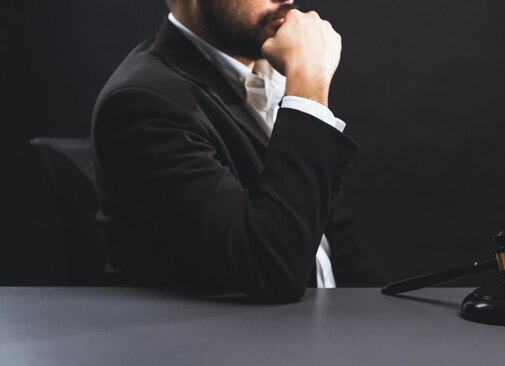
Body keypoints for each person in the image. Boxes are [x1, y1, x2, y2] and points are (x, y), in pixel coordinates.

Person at [91, 0, 382, 302]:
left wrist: (380, 324)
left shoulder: (277, 72)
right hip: (230, 342)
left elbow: (337, 243)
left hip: (329, 331)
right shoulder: (142, 104)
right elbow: (271, 269)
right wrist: (309, 86)